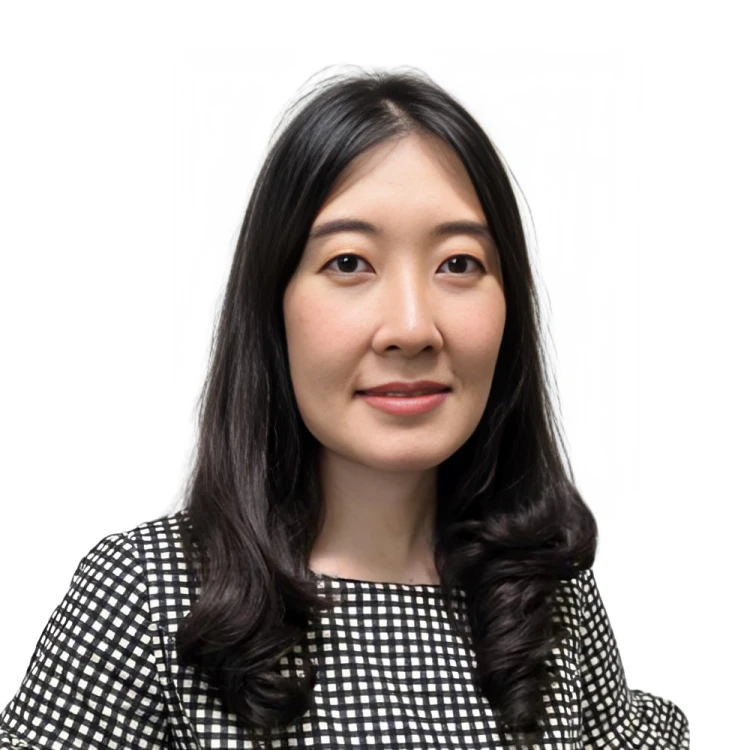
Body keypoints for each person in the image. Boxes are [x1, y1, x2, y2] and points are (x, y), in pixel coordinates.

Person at [0, 66, 690, 749]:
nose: (412, 328)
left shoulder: (543, 593)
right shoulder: (146, 597)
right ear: (273, 308)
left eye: (458, 263)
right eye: (349, 263)